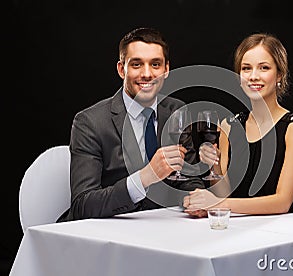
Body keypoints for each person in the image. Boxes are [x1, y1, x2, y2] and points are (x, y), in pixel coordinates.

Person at [57, 27, 204, 222]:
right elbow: (83, 204)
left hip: (163, 231)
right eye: (136, 65)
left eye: (155, 64)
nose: (147, 74)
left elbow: (189, 178)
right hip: (105, 236)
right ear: (121, 69)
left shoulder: (177, 111)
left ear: (166, 69)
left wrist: (199, 198)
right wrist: (145, 177)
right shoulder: (90, 122)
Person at [183, 32, 293, 216]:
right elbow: (224, 193)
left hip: (287, 231)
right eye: (246, 68)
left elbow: (282, 203)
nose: (253, 76)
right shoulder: (229, 124)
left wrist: (215, 204)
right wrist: (214, 166)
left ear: (279, 75)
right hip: (242, 228)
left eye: (264, 68)